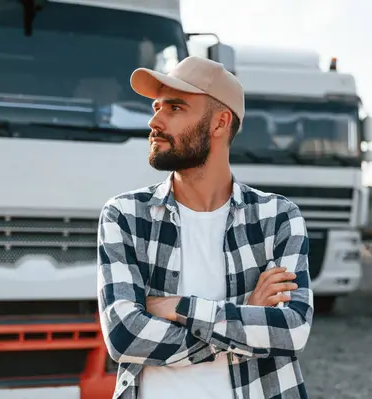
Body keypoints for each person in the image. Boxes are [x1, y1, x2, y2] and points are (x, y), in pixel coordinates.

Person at [97, 55, 313, 399]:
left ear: (220, 123)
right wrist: (246, 316)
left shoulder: (278, 217)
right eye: (156, 107)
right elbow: (125, 337)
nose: (155, 120)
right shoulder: (126, 215)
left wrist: (176, 307)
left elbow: (291, 332)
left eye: (175, 108)